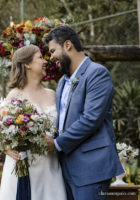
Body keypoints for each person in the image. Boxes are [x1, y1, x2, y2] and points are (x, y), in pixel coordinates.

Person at [43, 25, 124, 200]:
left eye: (53, 51)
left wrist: (56, 144)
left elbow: (91, 119)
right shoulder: (62, 83)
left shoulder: (97, 74)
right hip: (64, 169)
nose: (51, 57)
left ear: (67, 45)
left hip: (91, 169)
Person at [0, 44, 66, 200]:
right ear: (27, 64)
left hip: (50, 168)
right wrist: (7, 148)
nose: (45, 61)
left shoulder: (52, 94)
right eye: (40, 58)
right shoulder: (14, 95)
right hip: (22, 170)